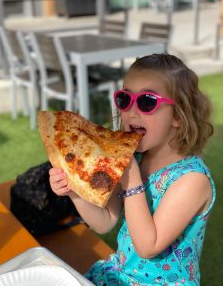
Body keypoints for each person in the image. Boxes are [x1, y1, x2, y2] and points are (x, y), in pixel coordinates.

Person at [49, 54, 216, 285]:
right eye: (125, 99)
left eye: (147, 101)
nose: (132, 112)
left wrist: (133, 178)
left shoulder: (192, 179)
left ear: (178, 115)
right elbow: (105, 221)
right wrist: (74, 191)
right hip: (121, 275)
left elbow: (148, 246)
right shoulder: (136, 159)